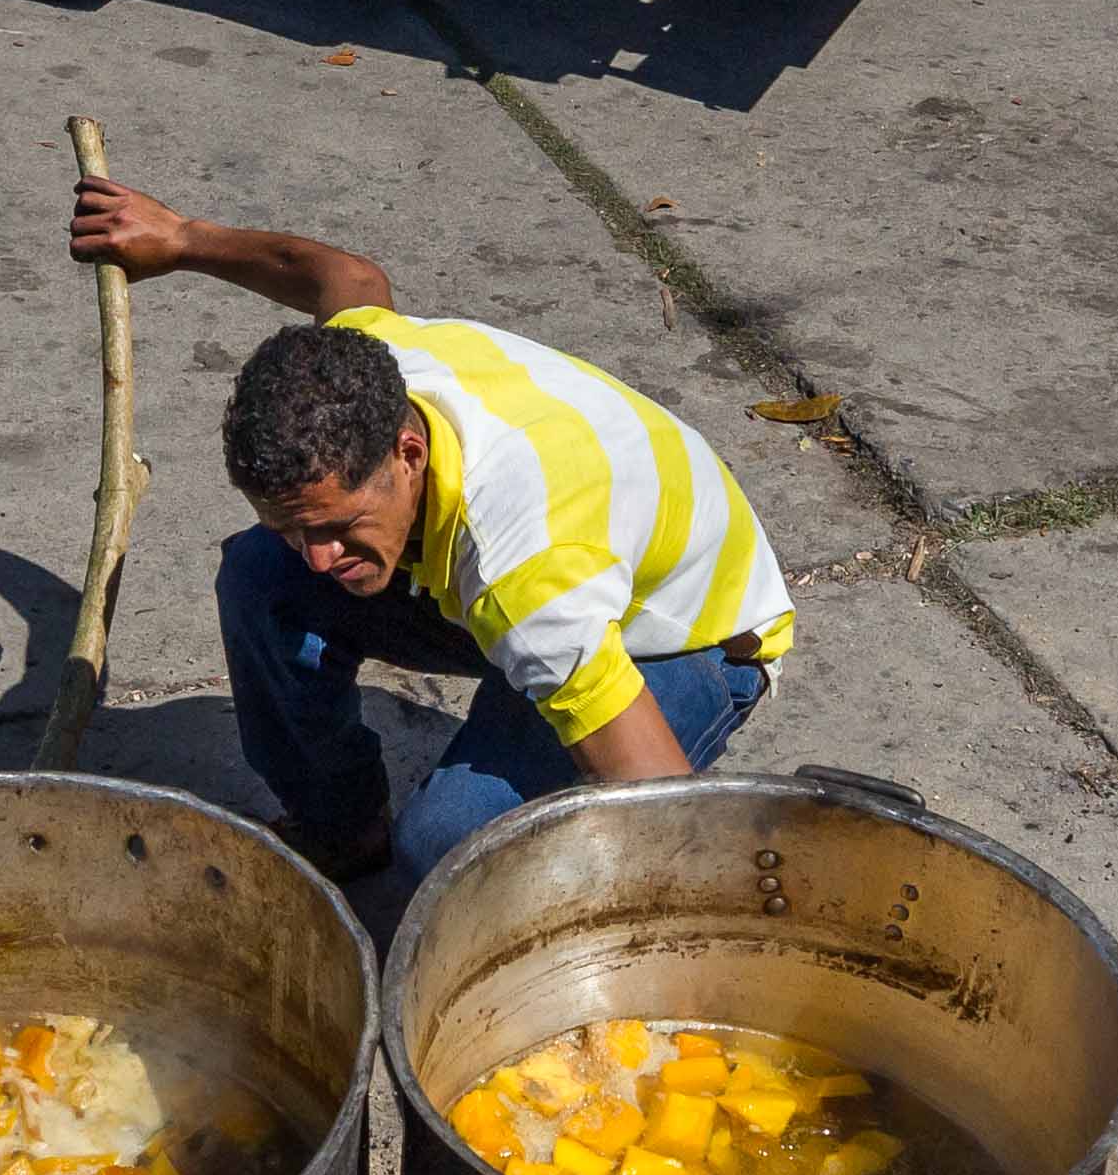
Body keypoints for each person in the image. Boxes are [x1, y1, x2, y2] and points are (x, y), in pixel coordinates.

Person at [67, 177, 792, 889]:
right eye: (291, 525)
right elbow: (344, 277)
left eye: (338, 527)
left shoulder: (527, 575)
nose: (319, 556)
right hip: (567, 579)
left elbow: (661, 803)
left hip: (685, 637)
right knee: (262, 578)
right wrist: (185, 238)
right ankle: (342, 830)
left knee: (447, 852)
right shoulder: (368, 365)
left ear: (407, 452)